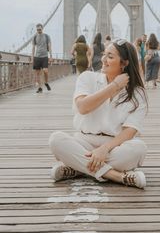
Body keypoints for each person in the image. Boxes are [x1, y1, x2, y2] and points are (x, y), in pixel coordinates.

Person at [49, 39, 148, 189]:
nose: (103, 59)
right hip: (83, 141)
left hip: (114, 146)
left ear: (124, 63)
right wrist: (114, 86)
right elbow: (82, 107)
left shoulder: (137, 93)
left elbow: (130, 131)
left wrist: (104, 149)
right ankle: (118, 176)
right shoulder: (87, 78)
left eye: (110, 56)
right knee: (56, 139)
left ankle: (77, 168)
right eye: (104, 54)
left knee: (139, 148)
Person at [31, 23, 52, 93]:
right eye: (37, 30)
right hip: (37, 57)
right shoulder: (34, 37)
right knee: (37, 73)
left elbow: (49, 47)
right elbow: (33, 47)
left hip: (45, 56)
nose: (38, 31)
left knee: (45, 71)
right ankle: (40, 88)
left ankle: (46, 82)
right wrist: (32, 57)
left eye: (40, 29)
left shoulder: (47, 36)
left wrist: (51, 56)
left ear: (42, 28)